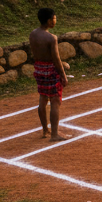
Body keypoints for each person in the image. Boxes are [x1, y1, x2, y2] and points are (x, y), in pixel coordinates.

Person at [30, 7, 70, 141]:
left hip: (39, 68)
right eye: (54, 18)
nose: (55, 20)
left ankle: (45, 130)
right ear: (48, 20)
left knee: (42, 98)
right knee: (55, 100)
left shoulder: (33, 34)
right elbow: (56, 59)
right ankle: (54, 134)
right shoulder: (51, 38)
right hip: (50, 70)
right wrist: (63, 75)